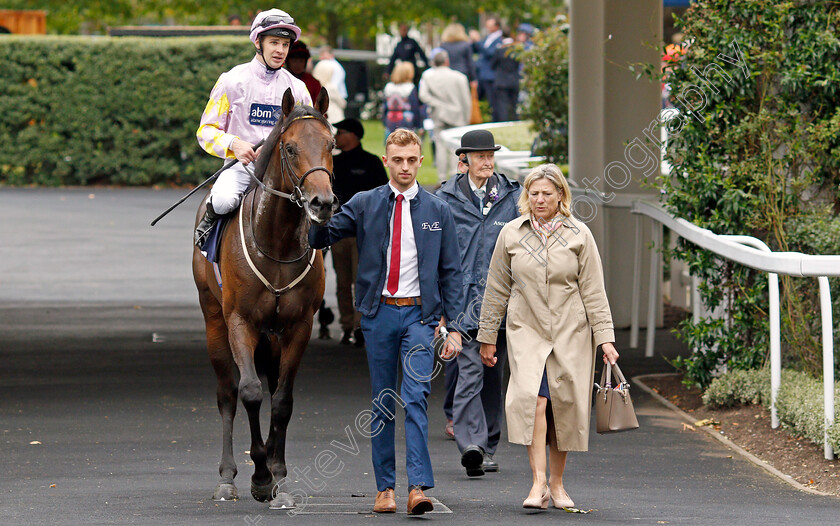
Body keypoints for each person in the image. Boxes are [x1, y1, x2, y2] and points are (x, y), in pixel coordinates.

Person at [309, 129, 464, 515]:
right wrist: (315, 212)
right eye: (398, 160)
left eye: (412, 160)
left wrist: (456, 327)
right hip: (378, 314)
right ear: (386, 161)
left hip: (420, 317)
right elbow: (321, 238)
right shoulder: (365, 203)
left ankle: (419, 487)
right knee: (382, 403)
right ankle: (385, 488)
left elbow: (452, 272)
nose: (405, 167)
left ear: (420, 161)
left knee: (415, 398)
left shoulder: (437, 210)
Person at [477, 164, 620, 510]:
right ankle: (538, 481)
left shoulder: (579, 235)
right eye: (533, 193)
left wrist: (606, 339)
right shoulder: (511, 234)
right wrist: (487, 335)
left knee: (562, 408)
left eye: (546, 193)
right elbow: (496, 288)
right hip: (526, 330)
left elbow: (594, 291)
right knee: (533, 400)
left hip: (571, 333)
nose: (539, 199)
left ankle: (557, 484)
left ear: (560, 196)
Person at [436, 129, 521, 477]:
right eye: (479, 155)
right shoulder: (446, 197)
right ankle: (471, 444)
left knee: (492, 373)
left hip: (500, 301)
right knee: (469, 370)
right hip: (462, 302)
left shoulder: (513, 196)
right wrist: (440, 308)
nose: (486, 161)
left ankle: (488, 444)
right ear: (464, 160)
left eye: (490, 155)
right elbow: (436, 254)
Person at [194, 8, 311, 246]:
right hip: (241, 169)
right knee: (223, 201)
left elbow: (309, 136)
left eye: (285, 44)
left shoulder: (298, 89)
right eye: (274, 42)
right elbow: (206, 131)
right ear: (258, 42)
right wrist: (233, 144)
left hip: (284, 174)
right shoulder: (231, 81)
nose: (280, 50)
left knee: (317, 205)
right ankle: (208, 234)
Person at [330, 118, 388, 345]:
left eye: (341, 132)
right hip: (339, 233)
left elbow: (383, 195)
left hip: (365, 233)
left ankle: (360, 326)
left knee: (361, 281)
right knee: (343, 282)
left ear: (353, 135)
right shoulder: (331, 163)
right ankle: (346, 326)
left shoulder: (371, 162)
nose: (337, 137)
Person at [418, 50, 470, 183]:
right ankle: (454, 176)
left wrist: (435, 104)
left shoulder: (428, 76)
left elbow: (422, 95)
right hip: (457, 114)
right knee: (455, 146)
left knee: (440, 145)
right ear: (447, 61)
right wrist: (467, 117)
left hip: (438, 114)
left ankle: (441, 178)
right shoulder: (459, 77)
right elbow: (466, 100)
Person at [471, 16, 503, 120]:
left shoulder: (499, 39)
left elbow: (490, 53)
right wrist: (474, 42)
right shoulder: (487, 38)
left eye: (490, 25)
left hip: (491, 76)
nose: (488, 27)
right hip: (482, 75)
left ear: (496, 26)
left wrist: (478, 41)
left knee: (494, 103)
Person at [382, 62, 423, 138]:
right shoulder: (410, 87)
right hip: (406, 120)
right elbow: (415, 108)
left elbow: (384, 107)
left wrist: (384, 122)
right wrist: (419, 125)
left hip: (390, 119)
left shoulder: (388, 87)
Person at [491, 33, 520, 122]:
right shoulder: (516, 50)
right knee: (514, 104)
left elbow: (492, 65)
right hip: (514, 80)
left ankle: (503, 121)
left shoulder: (499, 50)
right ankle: (515, 120)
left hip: (501, 81)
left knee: (502, 104)